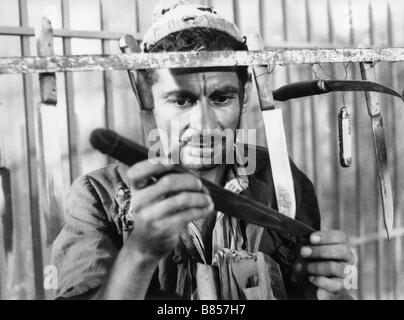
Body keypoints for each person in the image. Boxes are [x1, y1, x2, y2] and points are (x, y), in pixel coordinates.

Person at [52, 0, 355, 300]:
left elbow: (308, 289)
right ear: (149, 98)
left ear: (245, 95)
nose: (204, 125)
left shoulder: (280, 179)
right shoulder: (98, 197)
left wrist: (333, 292)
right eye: (181, 101)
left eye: (221, 98)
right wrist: (140, 252)